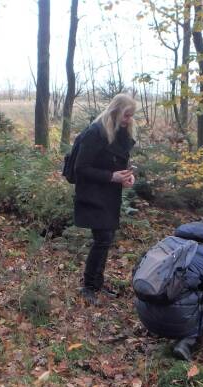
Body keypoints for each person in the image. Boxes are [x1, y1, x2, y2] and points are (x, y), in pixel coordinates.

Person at [134, 219, 203, 361]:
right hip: (178, 323)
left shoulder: (167, 242)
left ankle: (164, 326)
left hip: (145, 316)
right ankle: (188, 342)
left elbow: (137, 273)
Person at [73, 93, 137, 305]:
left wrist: (127, 177)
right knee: (102, 239)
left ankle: (96, 283)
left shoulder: (121, 131)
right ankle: (89, 287)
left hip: (109, 193)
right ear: (116, 111)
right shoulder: (95, 132)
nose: (129, 119)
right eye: (126, 115)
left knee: (106, 238)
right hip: (91, 193)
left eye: (131, 115)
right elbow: (81, 168)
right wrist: (112, 177)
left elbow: (119, 163)